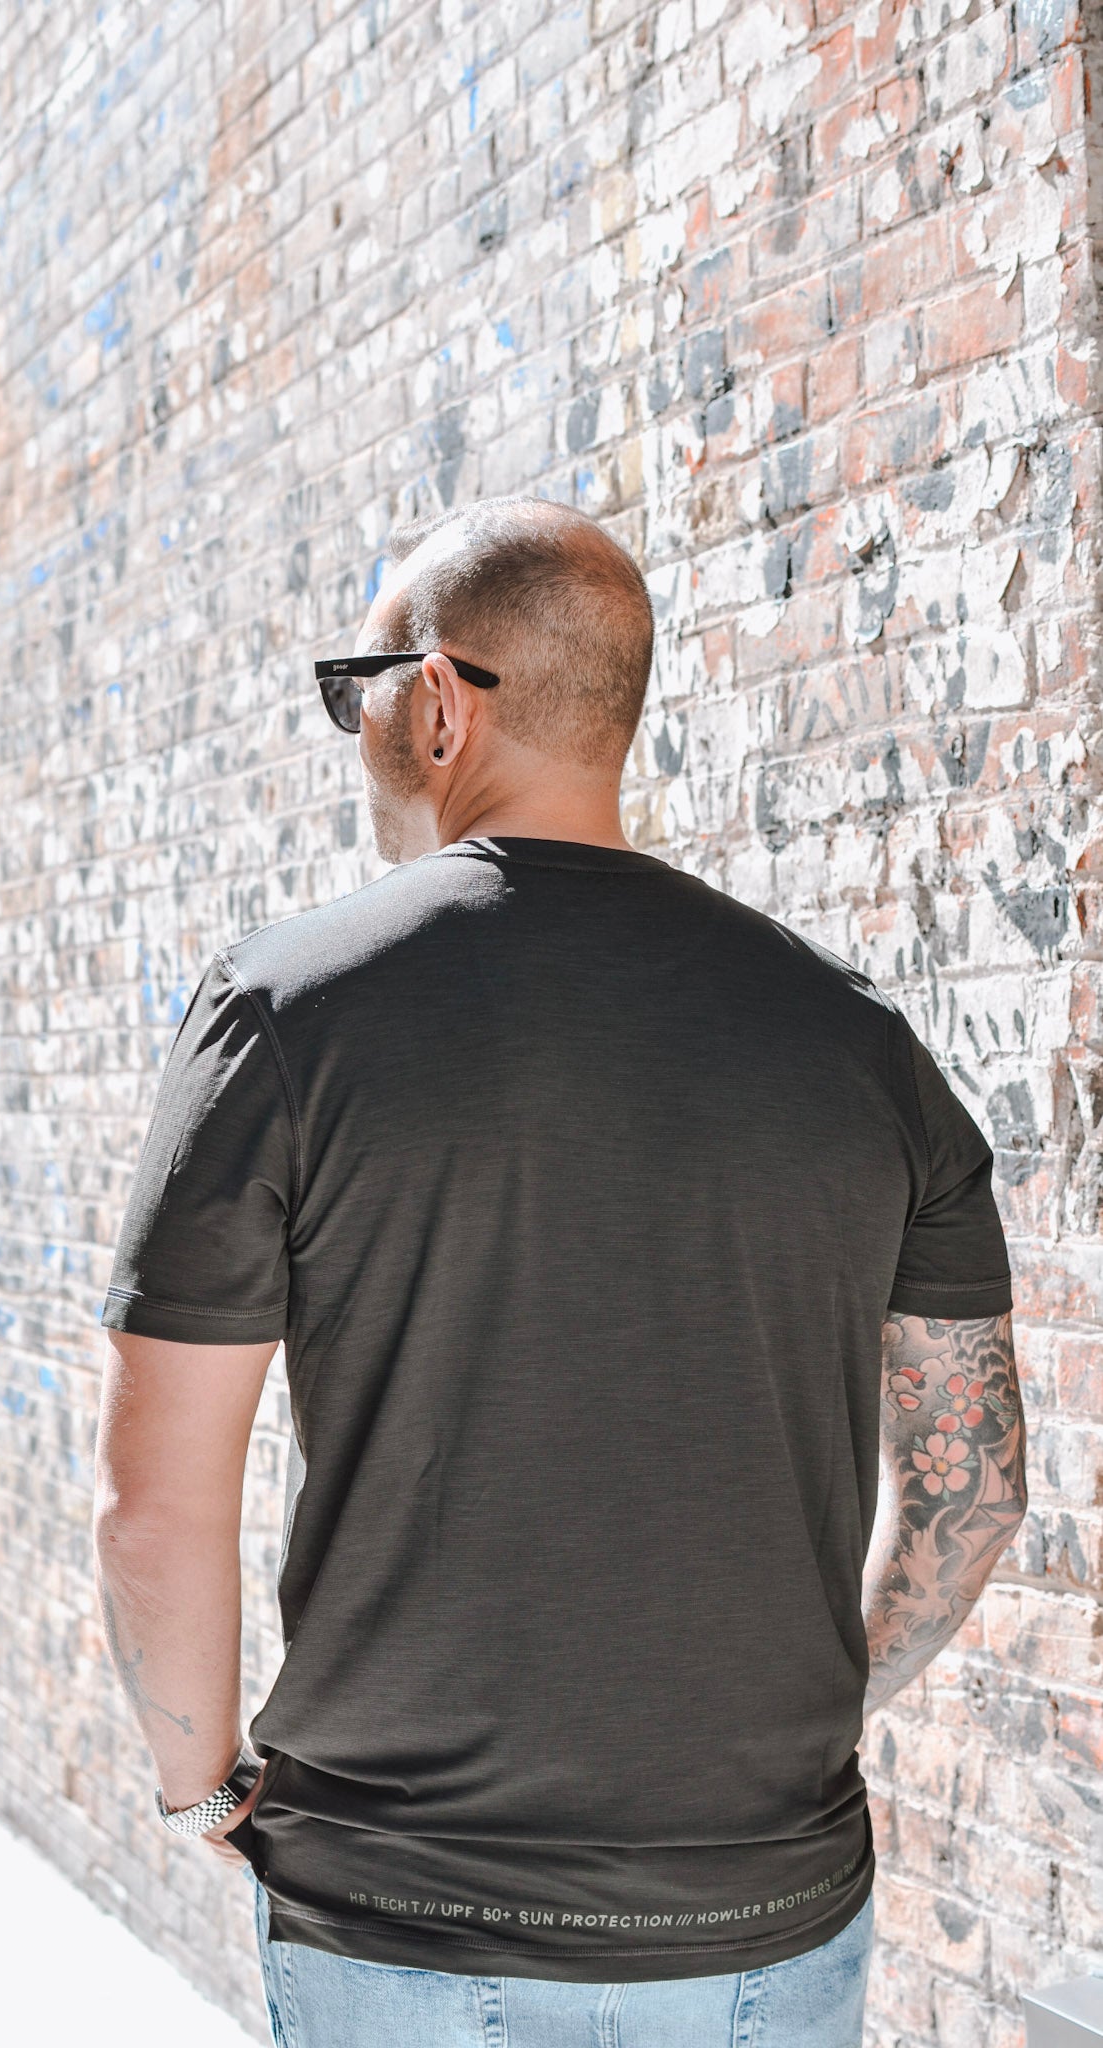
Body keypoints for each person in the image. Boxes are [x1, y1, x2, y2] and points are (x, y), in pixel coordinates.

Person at [93, 494, 1028, 2048]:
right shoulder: (863, 1047)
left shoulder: (282, 1014)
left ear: (440, 706)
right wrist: (803, 1724)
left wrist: (202, 1790)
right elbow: (974, 1491)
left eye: (356, 692)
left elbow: (150, 1506)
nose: (358, 731)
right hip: (764, 1911)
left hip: (399, 1915)